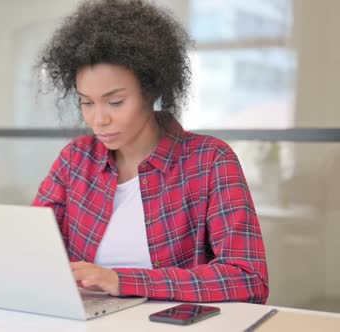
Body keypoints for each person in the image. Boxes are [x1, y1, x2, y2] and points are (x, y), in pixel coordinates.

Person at [32, 0, 269, 303]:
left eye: (115, 102)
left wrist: (121, 280)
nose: (98, 119)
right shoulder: (75, 160)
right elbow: (32, 250)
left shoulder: (210, 161)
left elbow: (248, 278)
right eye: (86, 102)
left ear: (152, 90)